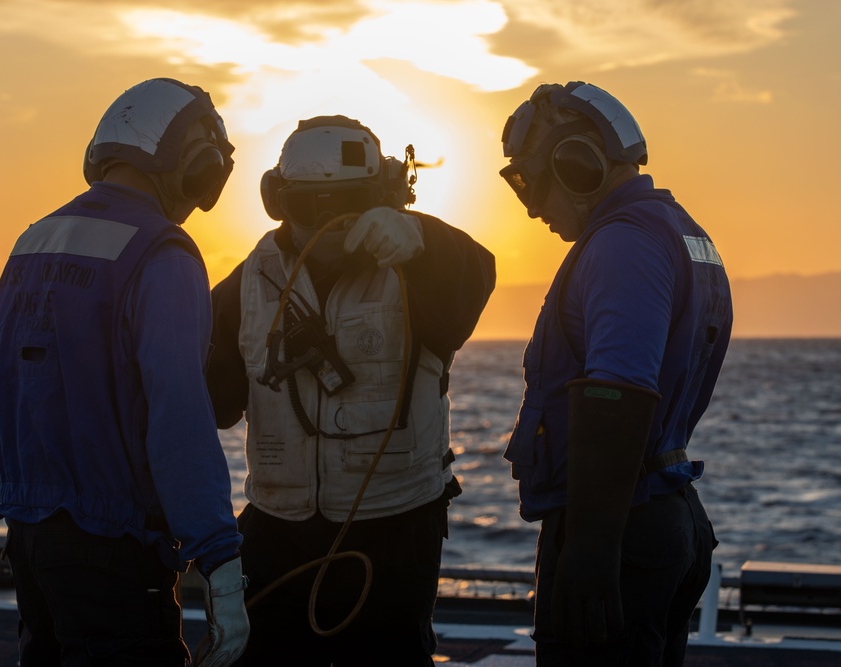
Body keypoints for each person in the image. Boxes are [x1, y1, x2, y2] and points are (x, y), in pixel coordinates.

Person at [206, 115, 495, 666]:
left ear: (384, 194)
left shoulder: (418, 267)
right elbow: (213, 404)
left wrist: (423, 240)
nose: (329, 222)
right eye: (308, 205)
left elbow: (473, 278)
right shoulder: (246, 284)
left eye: (348, 201)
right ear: (277, 200)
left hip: (395, 528)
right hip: (278, 530)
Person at [0, 78, 249, 667]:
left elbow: (14, 399)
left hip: (30, 540)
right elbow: (178, 413)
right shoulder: (161, 252)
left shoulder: (32, 243)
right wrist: (219, 555)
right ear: (190, 162)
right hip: (115, 551)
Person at [498, 80, 733, 666]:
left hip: (620, 533)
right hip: (662, 513)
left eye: (529, 181)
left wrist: (591, 548)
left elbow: (618, 393)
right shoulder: (676, 231)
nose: (529, 207)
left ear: (576, 165)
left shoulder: (622, 245)